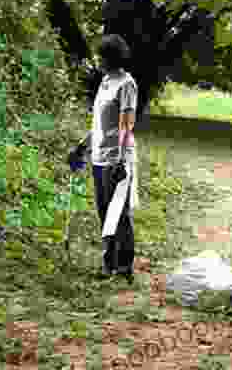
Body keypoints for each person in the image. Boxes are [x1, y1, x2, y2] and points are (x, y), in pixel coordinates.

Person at [68, 33, 139, 283]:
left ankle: (124, 267)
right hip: (99, 156)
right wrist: (82, 146)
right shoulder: (106, 81)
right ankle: (108, 263)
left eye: (101, 57)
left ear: (112, 58)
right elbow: (99, 122)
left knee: (118, 212)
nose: (98, 61)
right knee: (103, 211)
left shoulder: (126, 84)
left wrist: (120, 160)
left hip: (117, 157)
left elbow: (125, 125)